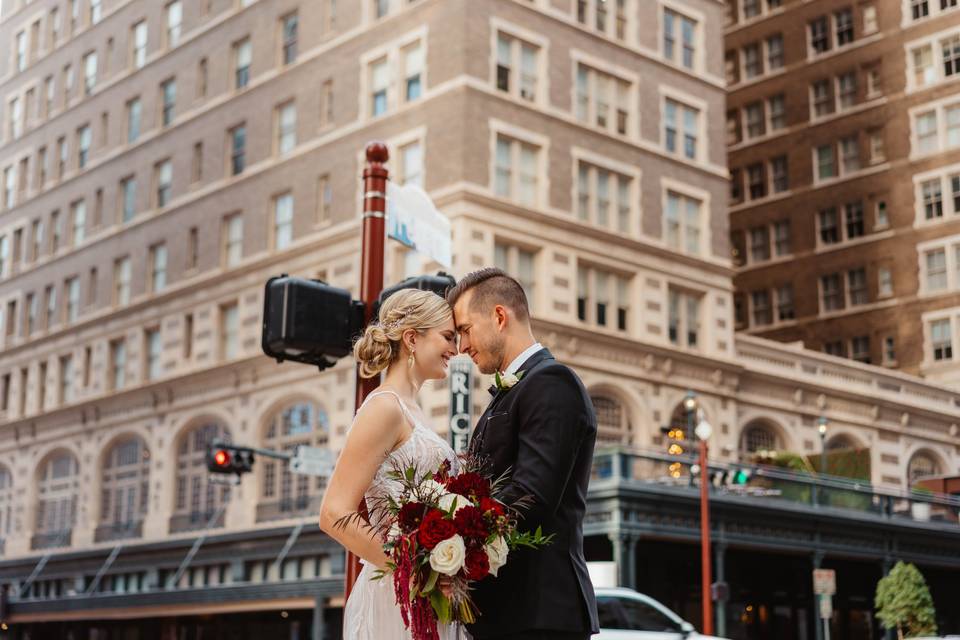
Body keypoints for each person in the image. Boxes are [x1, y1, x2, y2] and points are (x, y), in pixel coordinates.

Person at [448, 268, 599, 640]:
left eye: (465, 330)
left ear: (500, 316)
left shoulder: (551, 382)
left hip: (539, 612)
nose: (461, 347)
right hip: (509, 612)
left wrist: (450, 533)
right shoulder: (513, 390)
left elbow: (533, 496)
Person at [319, 289, 461, 640]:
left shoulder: (414, 410)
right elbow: (334, 513)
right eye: (447, 337)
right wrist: (412, 571)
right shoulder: (384, 407)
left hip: (428, 595)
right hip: (394, 597)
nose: (455, 350)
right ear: (412, 338)